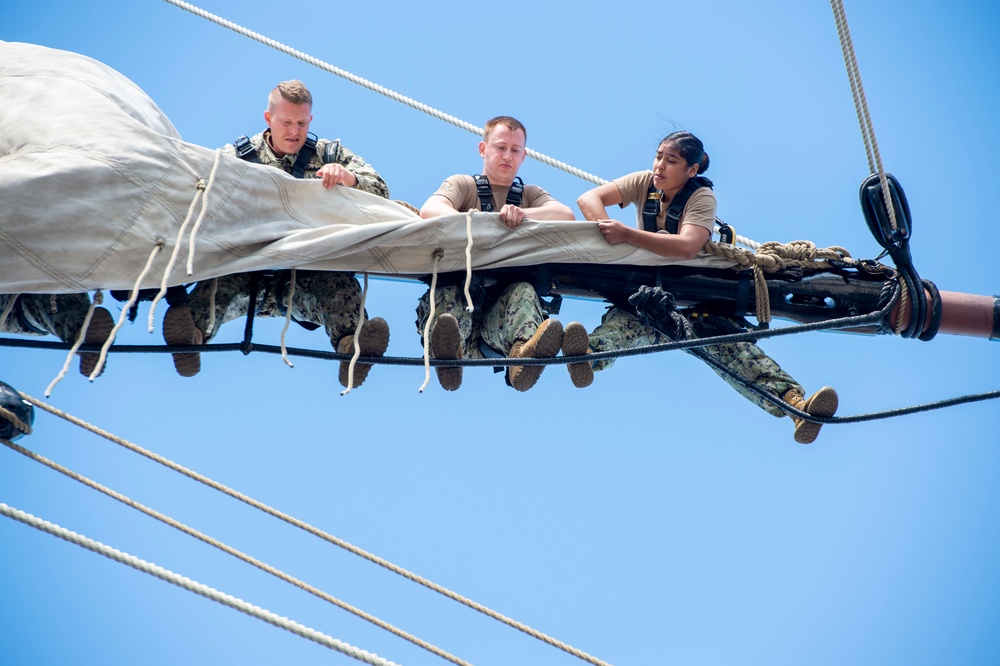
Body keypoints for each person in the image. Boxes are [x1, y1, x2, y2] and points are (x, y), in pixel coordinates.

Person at [575, 131, 838, 444]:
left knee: (735, 352)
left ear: (691, 171)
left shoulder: (701, 198)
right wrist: (611, 237)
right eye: (658, 156)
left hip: (698, 299)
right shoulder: (645, 182)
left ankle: (797, 408)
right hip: (650, 292)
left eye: (670, 161)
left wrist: (627, 236)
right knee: (626, 321)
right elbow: (588, 200)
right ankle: (585, 357)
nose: (659, 165)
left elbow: (688, 246)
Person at [162, 80, 391, 388]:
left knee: (340, 288)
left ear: (310, 121)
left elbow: (381, 189)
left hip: (306, 270)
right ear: (268, 120)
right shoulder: (234, 159)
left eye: (301, 123)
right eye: (286, 122)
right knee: (215, 287)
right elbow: (196, 192)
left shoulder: (328, 154)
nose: (294, 131)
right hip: (247, 266)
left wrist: (348, 177)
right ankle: (190, 342)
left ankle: (353, 351)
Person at [416, 115, 589, 392]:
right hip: (458, 314)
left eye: (515, 150)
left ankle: (522, 358)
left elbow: (565, 215)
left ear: (523, 157)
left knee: (523, 289)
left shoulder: (529, 195)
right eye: (500, 147)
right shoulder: (464, 186)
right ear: (483, 149)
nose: (507, 155)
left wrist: (522, 214)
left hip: (498, 331)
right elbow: (431, 210)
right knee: (447, 295)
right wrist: (484, 224)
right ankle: (449, 358)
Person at [0, 293, 113, 377]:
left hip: (19, 311)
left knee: (62, 288)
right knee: (62, 290)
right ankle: (81, 336)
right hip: (20, 312)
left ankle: (81, 336)